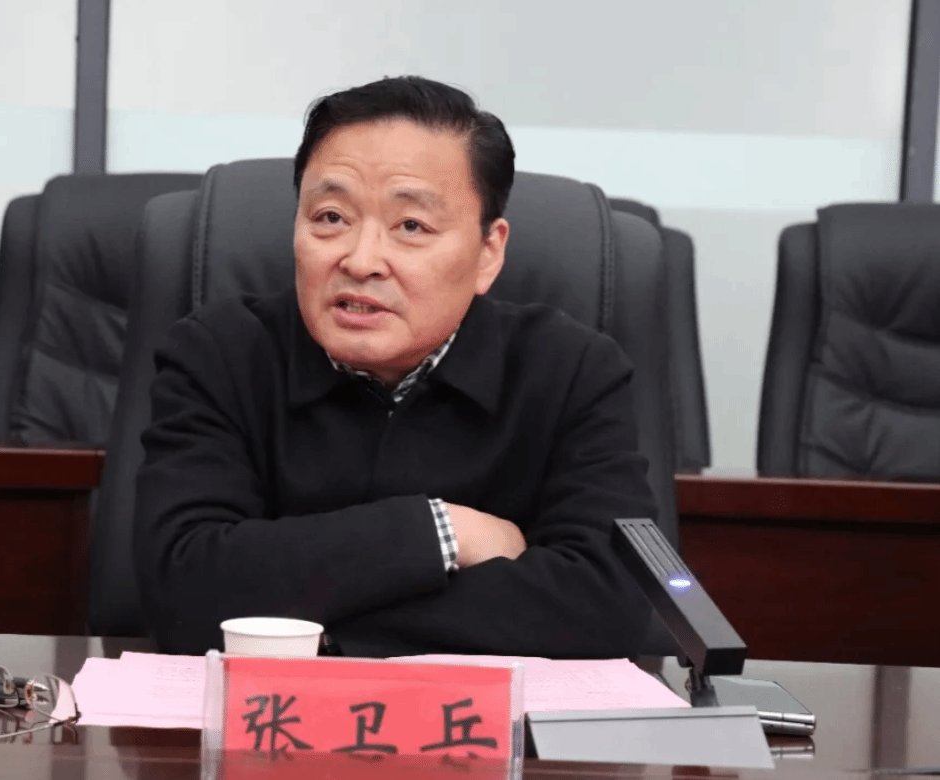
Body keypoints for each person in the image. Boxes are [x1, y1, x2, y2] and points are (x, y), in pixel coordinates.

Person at [133, 76, 656, 659]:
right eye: (331, 217)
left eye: (411, 227)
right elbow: (185, 593)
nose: (361, 261)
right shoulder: (219, 355)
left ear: (489, 253)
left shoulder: (572, 372)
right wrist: (443, 532)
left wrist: (315, 624)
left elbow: (609, 605)